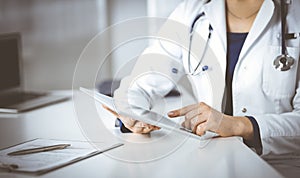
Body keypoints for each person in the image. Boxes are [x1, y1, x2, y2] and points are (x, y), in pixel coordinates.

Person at [105, 0, 300, 157]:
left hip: (278, 164)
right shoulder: (190, 12)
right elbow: (140, 82)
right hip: (211, 158)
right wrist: (132, 112)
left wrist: (240, 125)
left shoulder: (295, 15)